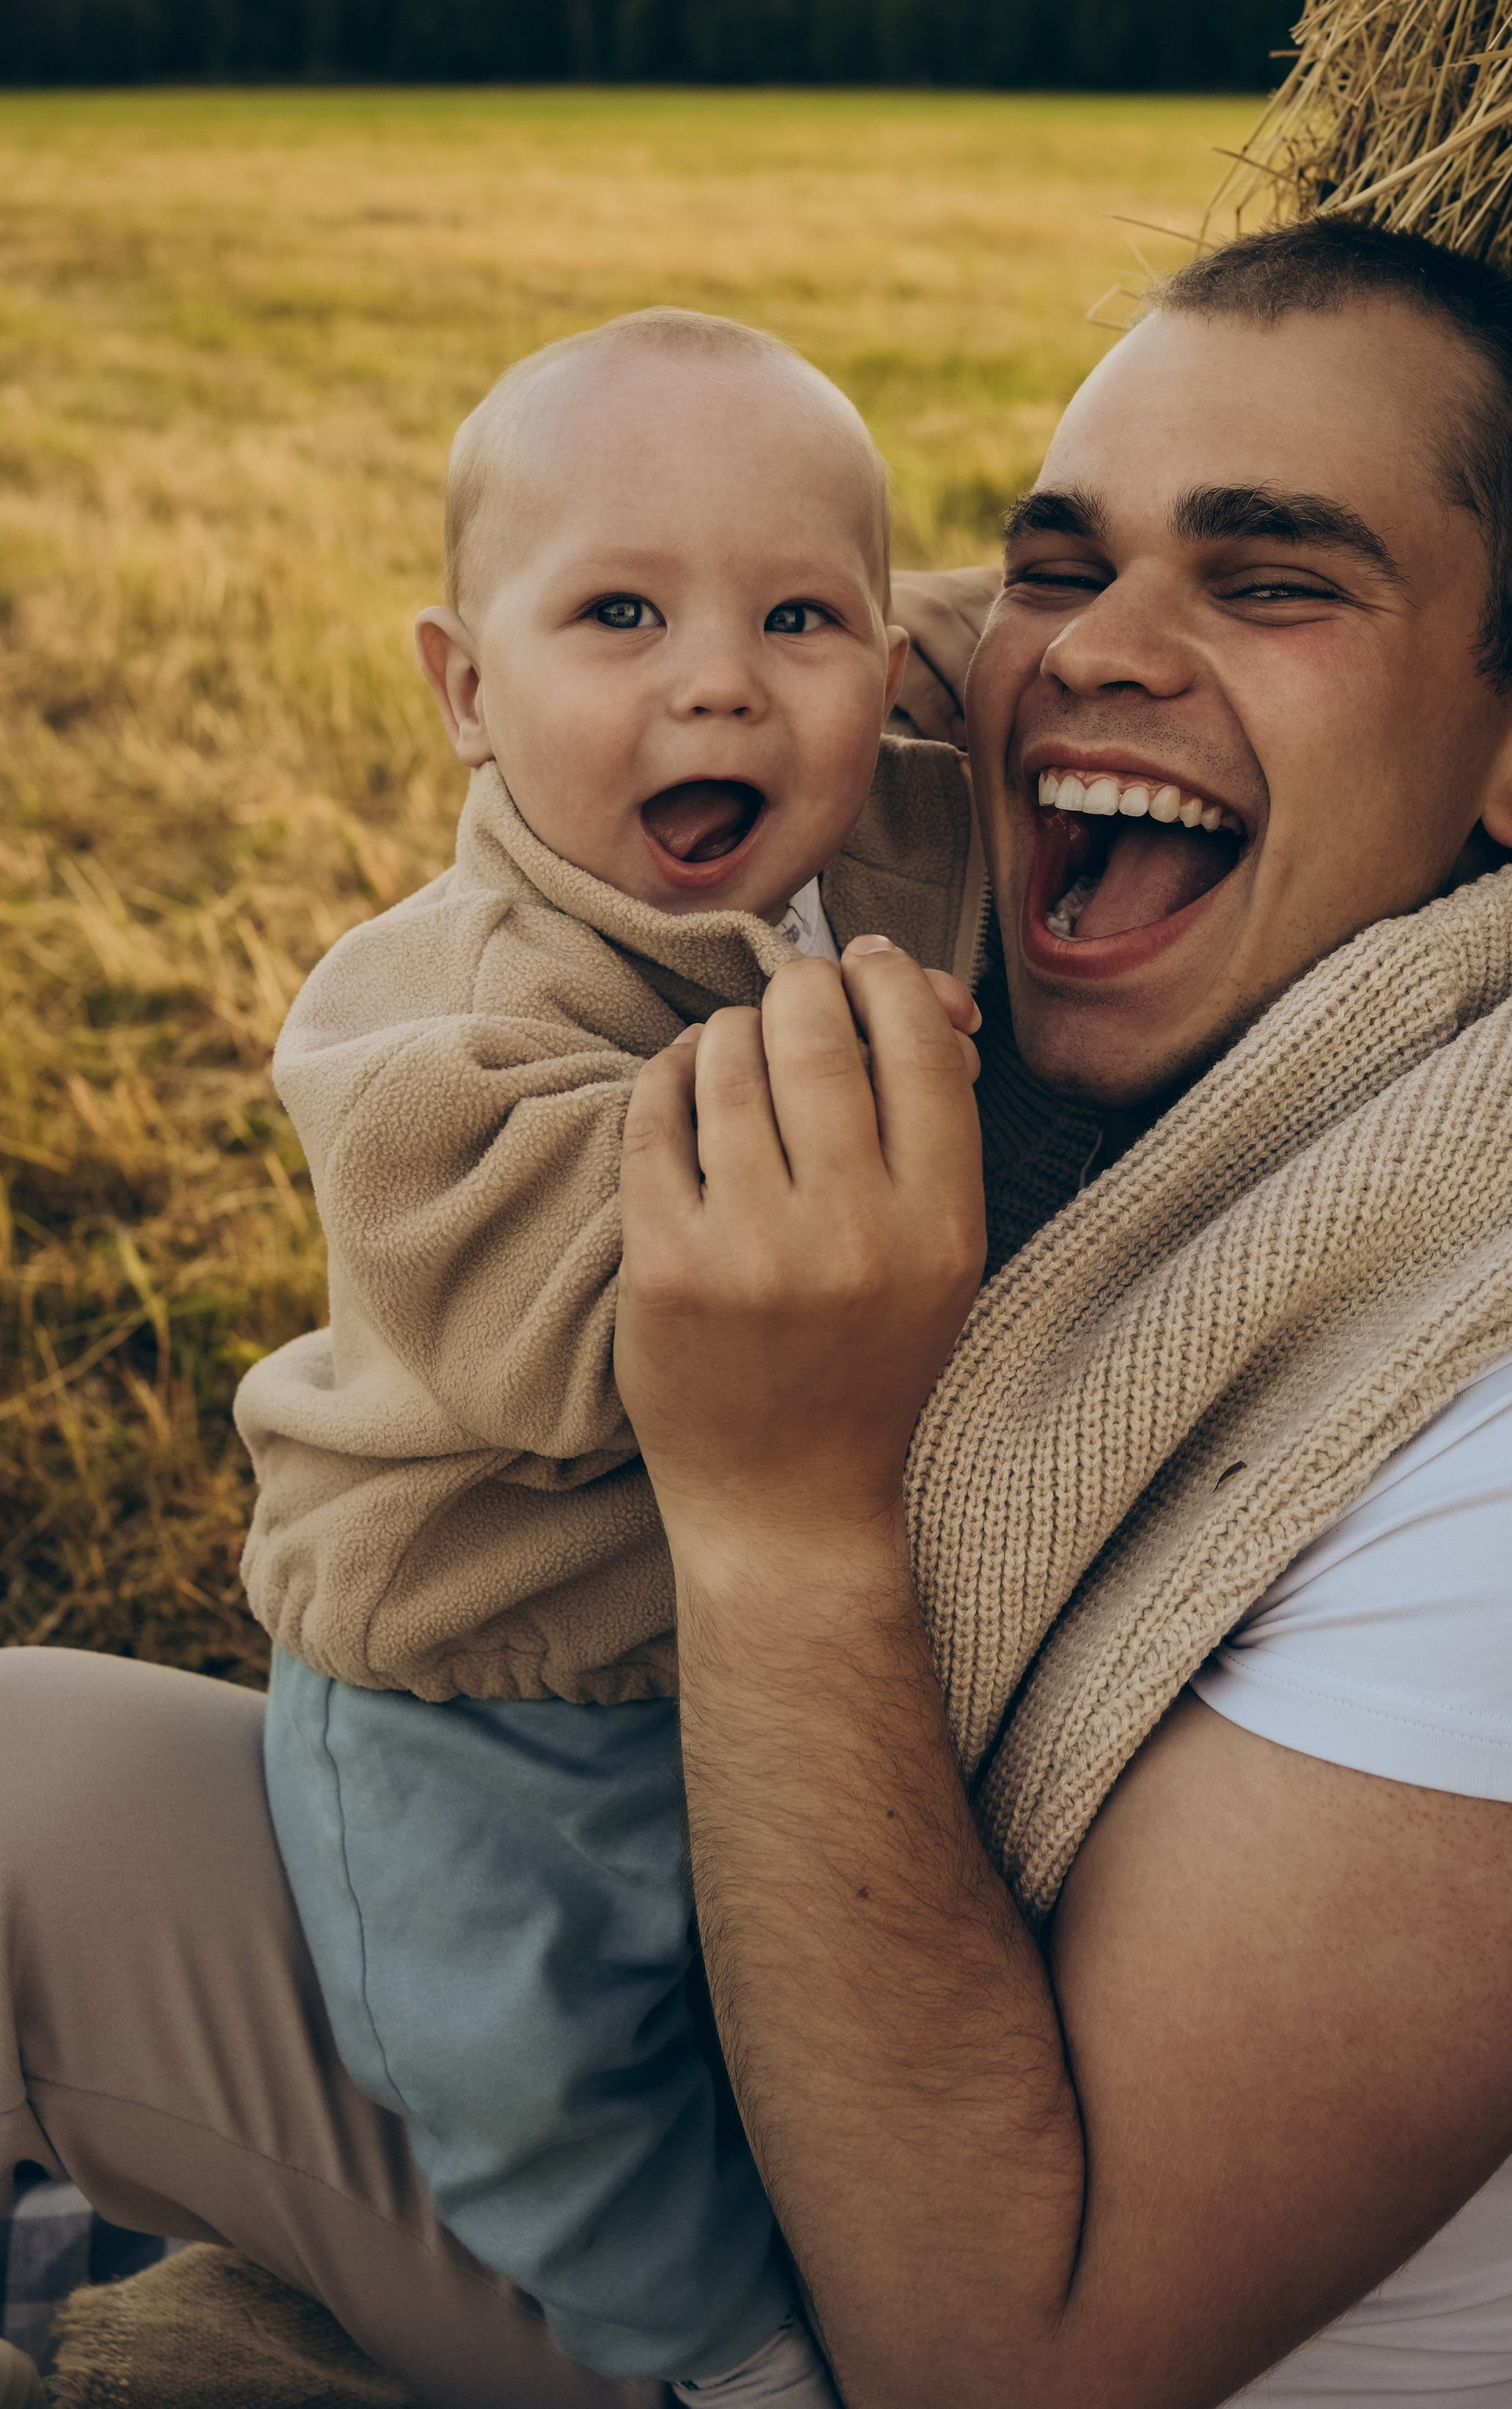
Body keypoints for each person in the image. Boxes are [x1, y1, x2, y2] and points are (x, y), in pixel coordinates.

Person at [4, 220, 1512, 2409]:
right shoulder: (1202, 1131)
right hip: (750, 2077)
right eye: (1062, 568)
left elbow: (1006, 2363)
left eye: (1273, 579)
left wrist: (783, 1508)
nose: (1095, 657)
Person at [236, 305, 980, 2407]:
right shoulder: (423, 1033)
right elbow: (623, 1334)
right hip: (470, 1697)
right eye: (622, 611)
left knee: (783, 2010)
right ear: (464, 690)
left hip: (726, 1650)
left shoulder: (887, 817)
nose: (720, 677)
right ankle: (717, 2358)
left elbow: (1009, 633)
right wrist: (868, 1079)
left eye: (800, 617)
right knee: (534, 2072)